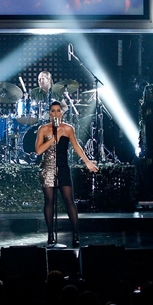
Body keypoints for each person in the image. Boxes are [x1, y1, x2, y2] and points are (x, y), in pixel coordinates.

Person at [35, 101, 99, 247]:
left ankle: (75, 234)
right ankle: (51, 235)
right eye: (53, 111)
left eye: (58, 110)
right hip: (48, 168)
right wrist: (53, 138)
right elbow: (38, 151)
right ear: (49, 113)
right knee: (49, 201)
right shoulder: (43, 129)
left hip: (63, 167)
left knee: (69, 200)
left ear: (62, 113)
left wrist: (87, 162)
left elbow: (77, 146)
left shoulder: (68, 129)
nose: (56, 113)